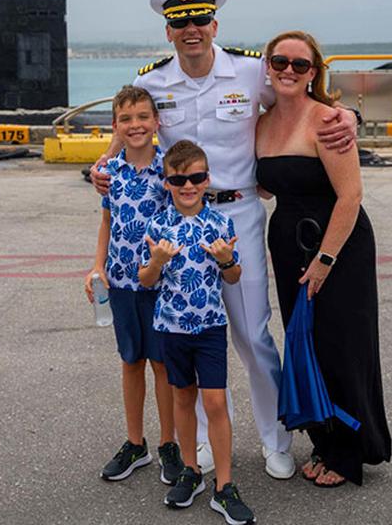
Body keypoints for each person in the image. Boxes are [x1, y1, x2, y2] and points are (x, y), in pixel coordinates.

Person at [91, 0, 360, 480]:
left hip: (236, 215)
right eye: (180, 22)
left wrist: (345, 113)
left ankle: (275, 439)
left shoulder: (250, 71)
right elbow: (130, 130)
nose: (191, 29)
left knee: (252, 335)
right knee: (184, 329)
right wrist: (102, 168)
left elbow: (299, 93)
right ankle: (205, 443)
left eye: (199, 20)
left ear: (214, 24)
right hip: (176, 217)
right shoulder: (152, 82)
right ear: (168, 32)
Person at [254, 31, 392, 487]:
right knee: (305, 345)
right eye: (280, 62)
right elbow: (268, 186)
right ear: (268, 67)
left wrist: (326, 259)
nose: (288, 71)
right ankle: (324, 442)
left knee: (341, 346)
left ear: (314, 72)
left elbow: (351, 195)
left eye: (300, 65)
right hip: (289, 243)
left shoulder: (329, 121)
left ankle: (350, 452)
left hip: (337, 244)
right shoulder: (262, 122)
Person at [138, 141, 255, 525]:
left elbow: (234, 277)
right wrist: (155, 261)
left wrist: (225, 261)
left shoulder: (220, 224)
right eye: (179, 179)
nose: (189, 186)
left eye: (197, 177)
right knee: (182, 398)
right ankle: (190, 469)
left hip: (209, 326)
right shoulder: (157, 227)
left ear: (207, 179)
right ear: (167, 181)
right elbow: (146, 279)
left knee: (216, 402)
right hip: (171, 327)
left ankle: (224, 485)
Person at [83, 86, 183, 485]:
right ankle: (134, 442)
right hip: (121, 281)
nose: (135, 125)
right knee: (130, 361)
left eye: (143, 117)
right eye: (126, 119)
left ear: (156, 122)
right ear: (115, 126)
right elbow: (106, 223)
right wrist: (96, 266)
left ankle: (168, 443)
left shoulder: (168, 171)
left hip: (159, 283)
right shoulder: (110, 173)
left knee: (161, 364)